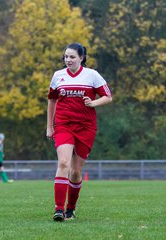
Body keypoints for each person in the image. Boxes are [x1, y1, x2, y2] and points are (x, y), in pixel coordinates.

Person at [46, 42, 113, 221]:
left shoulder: (92, 75)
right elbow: (51, 101)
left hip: (85, 127)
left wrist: (94, 103)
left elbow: (108, 96)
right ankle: (58, 209)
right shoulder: (58, 76)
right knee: (63, 163)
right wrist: (49, 126)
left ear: (81, 58)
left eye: (72, 57)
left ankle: (71, 208)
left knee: (75, 172)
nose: (68, 60)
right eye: (66, 57)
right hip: (63, 125)